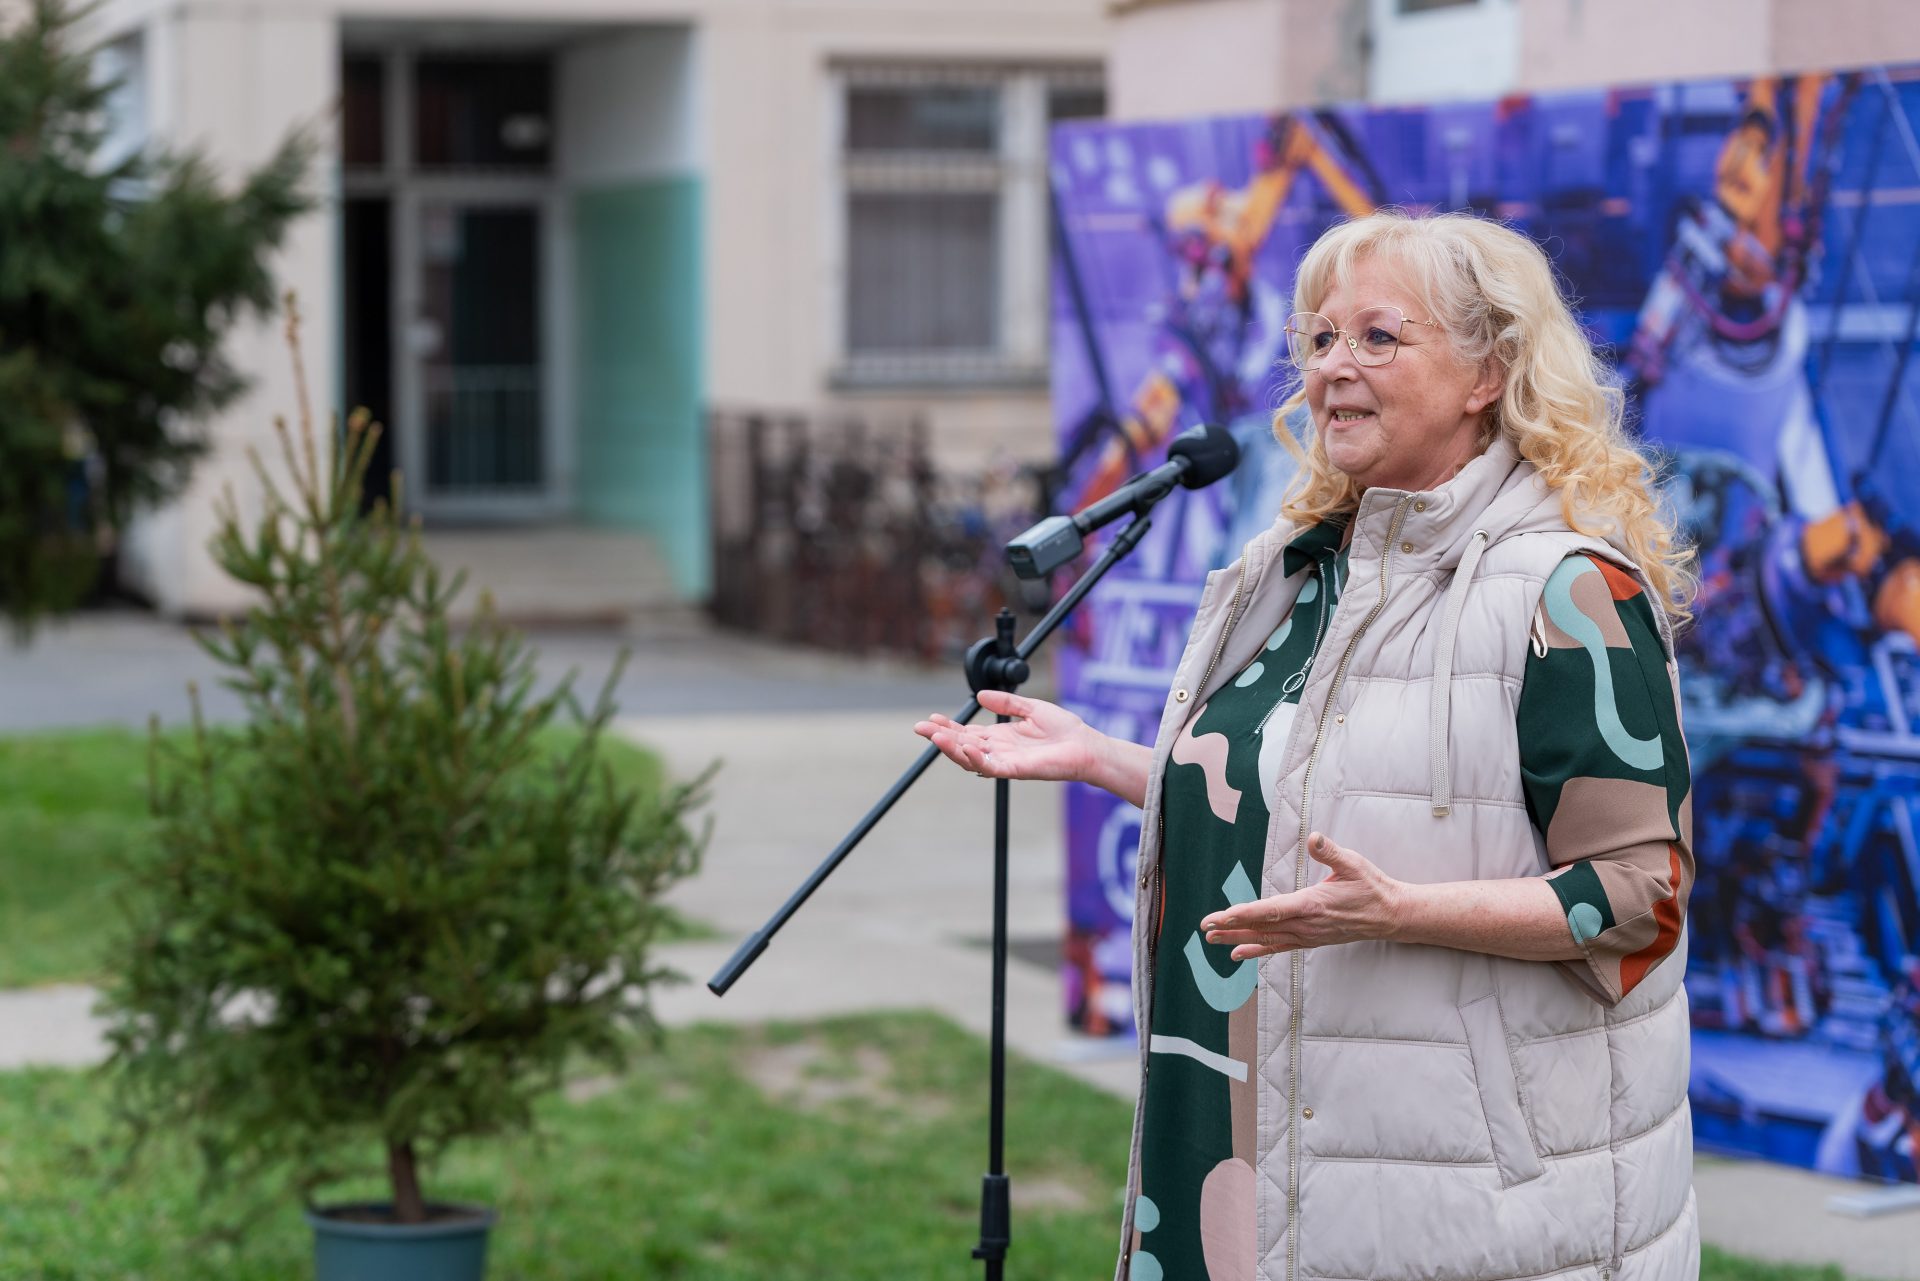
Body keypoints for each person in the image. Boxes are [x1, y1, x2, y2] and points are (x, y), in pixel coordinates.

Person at [917, 210, 1699, 1281]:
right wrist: (1104, 757)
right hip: (1246, 1135)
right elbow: (1311, 815)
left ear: (1488, 372)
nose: (1334, 367)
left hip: (1459, 1190)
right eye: (1321, 338)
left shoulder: (1566, 592)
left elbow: (1639, 894)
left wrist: (1406, 914)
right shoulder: (1294, 573)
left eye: (1380, 338)